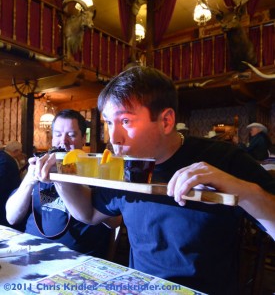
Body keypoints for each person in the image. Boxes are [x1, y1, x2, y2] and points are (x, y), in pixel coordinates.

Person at [25, 67, 275, 295]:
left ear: (165, 121)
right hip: (139, 286)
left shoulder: (223, 159)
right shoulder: (124, 166)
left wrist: (243, 191)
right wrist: (61, 178)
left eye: (125, 121)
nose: (114, 138)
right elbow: (89, 214)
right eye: (109, 123)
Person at [6, 109, 121, 258]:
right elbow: (12, 217)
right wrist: (30, 178)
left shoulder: (94, 171)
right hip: (30, 252)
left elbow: (115, 222)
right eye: (58, 134)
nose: (63, 141)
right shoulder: (43, 168)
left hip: (75, 259)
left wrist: (66, 177)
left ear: (82, 139)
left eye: (71, 135)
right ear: (52, 139)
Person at [0, 141, 22, 226]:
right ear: (16, 151)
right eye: (20, 151)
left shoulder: (4, 156)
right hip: (5, 199)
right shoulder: (6, 160)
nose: (21, 153)